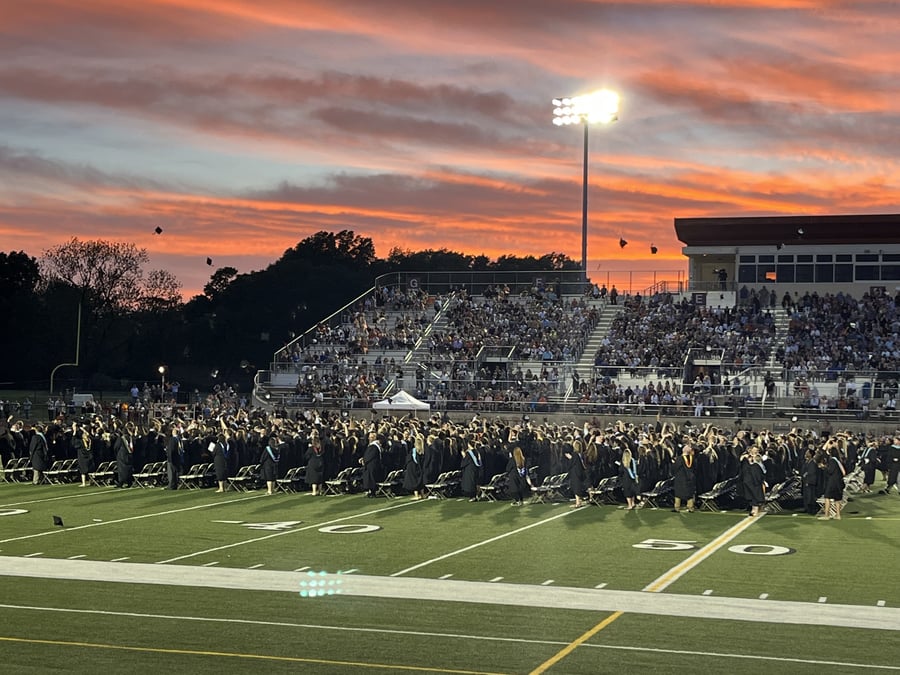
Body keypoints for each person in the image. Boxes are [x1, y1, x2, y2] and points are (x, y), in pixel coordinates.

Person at [819, 447, 846, 520]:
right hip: (839, 482)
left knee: (827, 497)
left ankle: (826, 515)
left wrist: (824, 467)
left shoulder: (832, 461)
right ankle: (838, 515)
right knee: (837, 499)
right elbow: (843, 472)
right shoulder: (838, 461)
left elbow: (830, 471)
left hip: (832, 482)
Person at [740, 446, 766, 517]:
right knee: (751, 496)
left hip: (755, 481)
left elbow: (761, 471)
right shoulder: (747, 459)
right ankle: (753, 509)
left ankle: (756, 510)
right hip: (749, 480)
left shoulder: (757, 461)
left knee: (755, 495)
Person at [671, 444, 697, 512]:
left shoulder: (679, 459)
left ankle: (677, 507)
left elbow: (675, 468)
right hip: (690, 478)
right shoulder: (692, 458)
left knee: (678, 493)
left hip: (681, 478)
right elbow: (695, 467)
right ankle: (691, 507)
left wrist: (673, 463)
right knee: (689, 493)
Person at [564, 441, 588, 508]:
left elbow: (571, 464)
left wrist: (570, 458)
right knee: (578, 486)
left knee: (576, 487)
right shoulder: (580, 454)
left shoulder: (574, 454)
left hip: (575, 473)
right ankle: (579, 501)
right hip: (579, 472)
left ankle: (578, 502)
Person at [360, 431, 383, 498]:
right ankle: (371, 491)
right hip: (373, 464)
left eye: (371, 437)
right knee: (371, 478)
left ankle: (372, 492)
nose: (369, 438)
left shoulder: (373, 446)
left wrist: (364, 460)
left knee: (371, 479)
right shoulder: (375, 445)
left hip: (371, 465)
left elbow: (370, 455)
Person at [113, 422, 136, 488]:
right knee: (129, 468)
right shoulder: (130, 438)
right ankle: (129, 482)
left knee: (121, 469)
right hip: (129, 455)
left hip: (122, 455)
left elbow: (116, 447)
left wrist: (117, 453)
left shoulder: (121, 438)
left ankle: (121, 482)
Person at [402, 434, 425, 500]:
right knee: (420, 481)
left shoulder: (414, 450)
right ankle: (422, 494)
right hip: (420, 468)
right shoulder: (422, 451)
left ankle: (416, 495)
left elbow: (409, 459)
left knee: (414, 481)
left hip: (413, 467)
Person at [71, 421, 93, 487]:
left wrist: (74, 432)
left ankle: (83, 483)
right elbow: (88, 435)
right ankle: (89, 481)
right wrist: (83, 430)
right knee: (89, 469)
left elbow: (73, 443)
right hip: (89, 457)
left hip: (82, 457)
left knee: (83, 470)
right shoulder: (90, 441)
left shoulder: (80, 442)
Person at [164, 423, 184, 490]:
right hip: (178, 457)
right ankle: (174, 484)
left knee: (171, 473)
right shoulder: (179, 439)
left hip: (173, 458)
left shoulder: (172, 439)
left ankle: (171, 486)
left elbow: (171, 450)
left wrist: (169, 459)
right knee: (175, 472)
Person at [305, 430, 325, 496]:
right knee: (319, 478)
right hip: (320, 463)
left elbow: (306, 456)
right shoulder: (321, 448)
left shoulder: (311, 448)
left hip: (313, 463)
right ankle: (320, 491)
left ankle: (314, 491)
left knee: (314, 478)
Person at [800, 448, 820, 515]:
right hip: (805, 481)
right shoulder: (806, 462)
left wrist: (806, 476)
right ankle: (806, 508)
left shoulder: (812, 463)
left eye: (807, 453)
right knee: (806, 495)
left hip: (810, 481)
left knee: (810, 495)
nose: (805, 454)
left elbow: (811, 472)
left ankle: (811, 509)